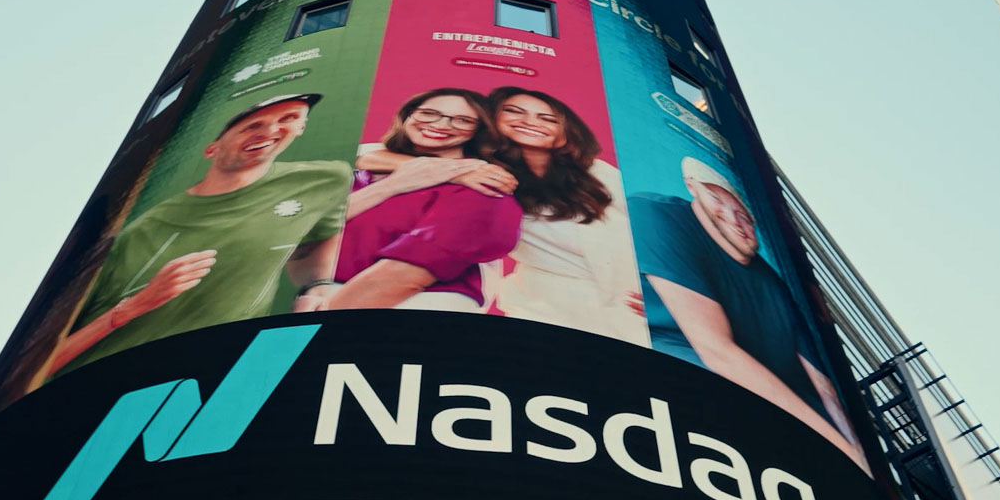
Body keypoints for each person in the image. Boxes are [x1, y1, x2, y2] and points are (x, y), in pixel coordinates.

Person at [46, 94, 350, 378]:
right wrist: (136, 305)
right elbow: (41, 364)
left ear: (301, 127)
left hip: (217, 381)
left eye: (288, 118)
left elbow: (319, 235)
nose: (270, 130)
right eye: (252, 125)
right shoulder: (142, 232)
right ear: (211, 148)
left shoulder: (325, 179)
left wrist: (317, 287)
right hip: (99, 393)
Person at [355, 87, 646, 344]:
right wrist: (461, 171)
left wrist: (655, 290)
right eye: (514, 112)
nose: (530, 122)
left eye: (547, 118)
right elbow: (364, 154)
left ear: (566, 131)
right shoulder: (480, 168)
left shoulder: (596, 173)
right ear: (492, 121)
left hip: (634, 305)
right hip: (550, 309)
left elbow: (646, 235)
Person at [628, 157, 867, 470]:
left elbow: (823, 386)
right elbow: (716, 350)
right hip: (682, 402)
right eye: (716, 198)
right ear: (692, 188)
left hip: (782, 421)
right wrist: (844, 452)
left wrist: (857, 452)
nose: (733, 218)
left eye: (742, 212)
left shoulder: (775, 285)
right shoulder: (656, 214)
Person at [311, 89, 522, 312]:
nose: (441, 125)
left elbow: (405, 274)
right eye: (428, 113)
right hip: (317, 293)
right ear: (408, 114)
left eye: (463, 120)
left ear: (479, 130)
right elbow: (303, 229)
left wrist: (312, 324)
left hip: (413, 304)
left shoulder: (482, 185)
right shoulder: (360, 166)